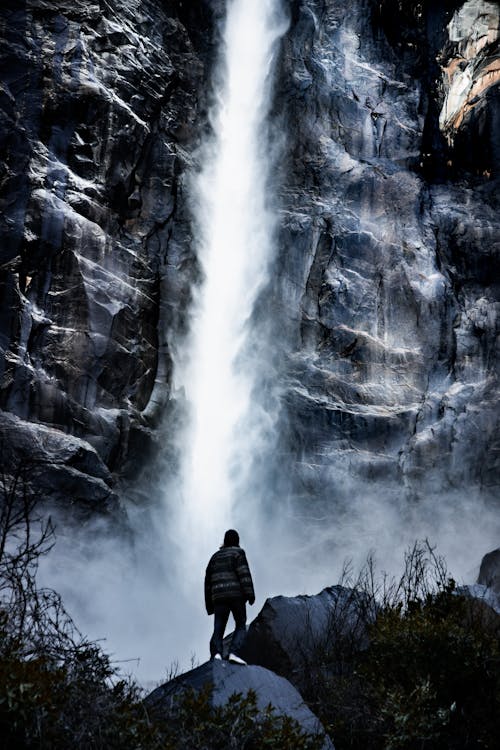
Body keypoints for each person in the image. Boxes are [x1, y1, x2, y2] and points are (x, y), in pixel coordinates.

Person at [204, 529, 255, 664]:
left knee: (218, 628)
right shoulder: (238, 553)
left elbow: (207, 581)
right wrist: (250, 594)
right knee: (240, 624)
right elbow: (244, 574)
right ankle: (233, 653)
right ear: (237, 541)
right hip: (235, 596)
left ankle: (216, 655)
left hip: (219, 598)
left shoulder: (215, 557)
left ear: (225, 541)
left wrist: (210, 604)